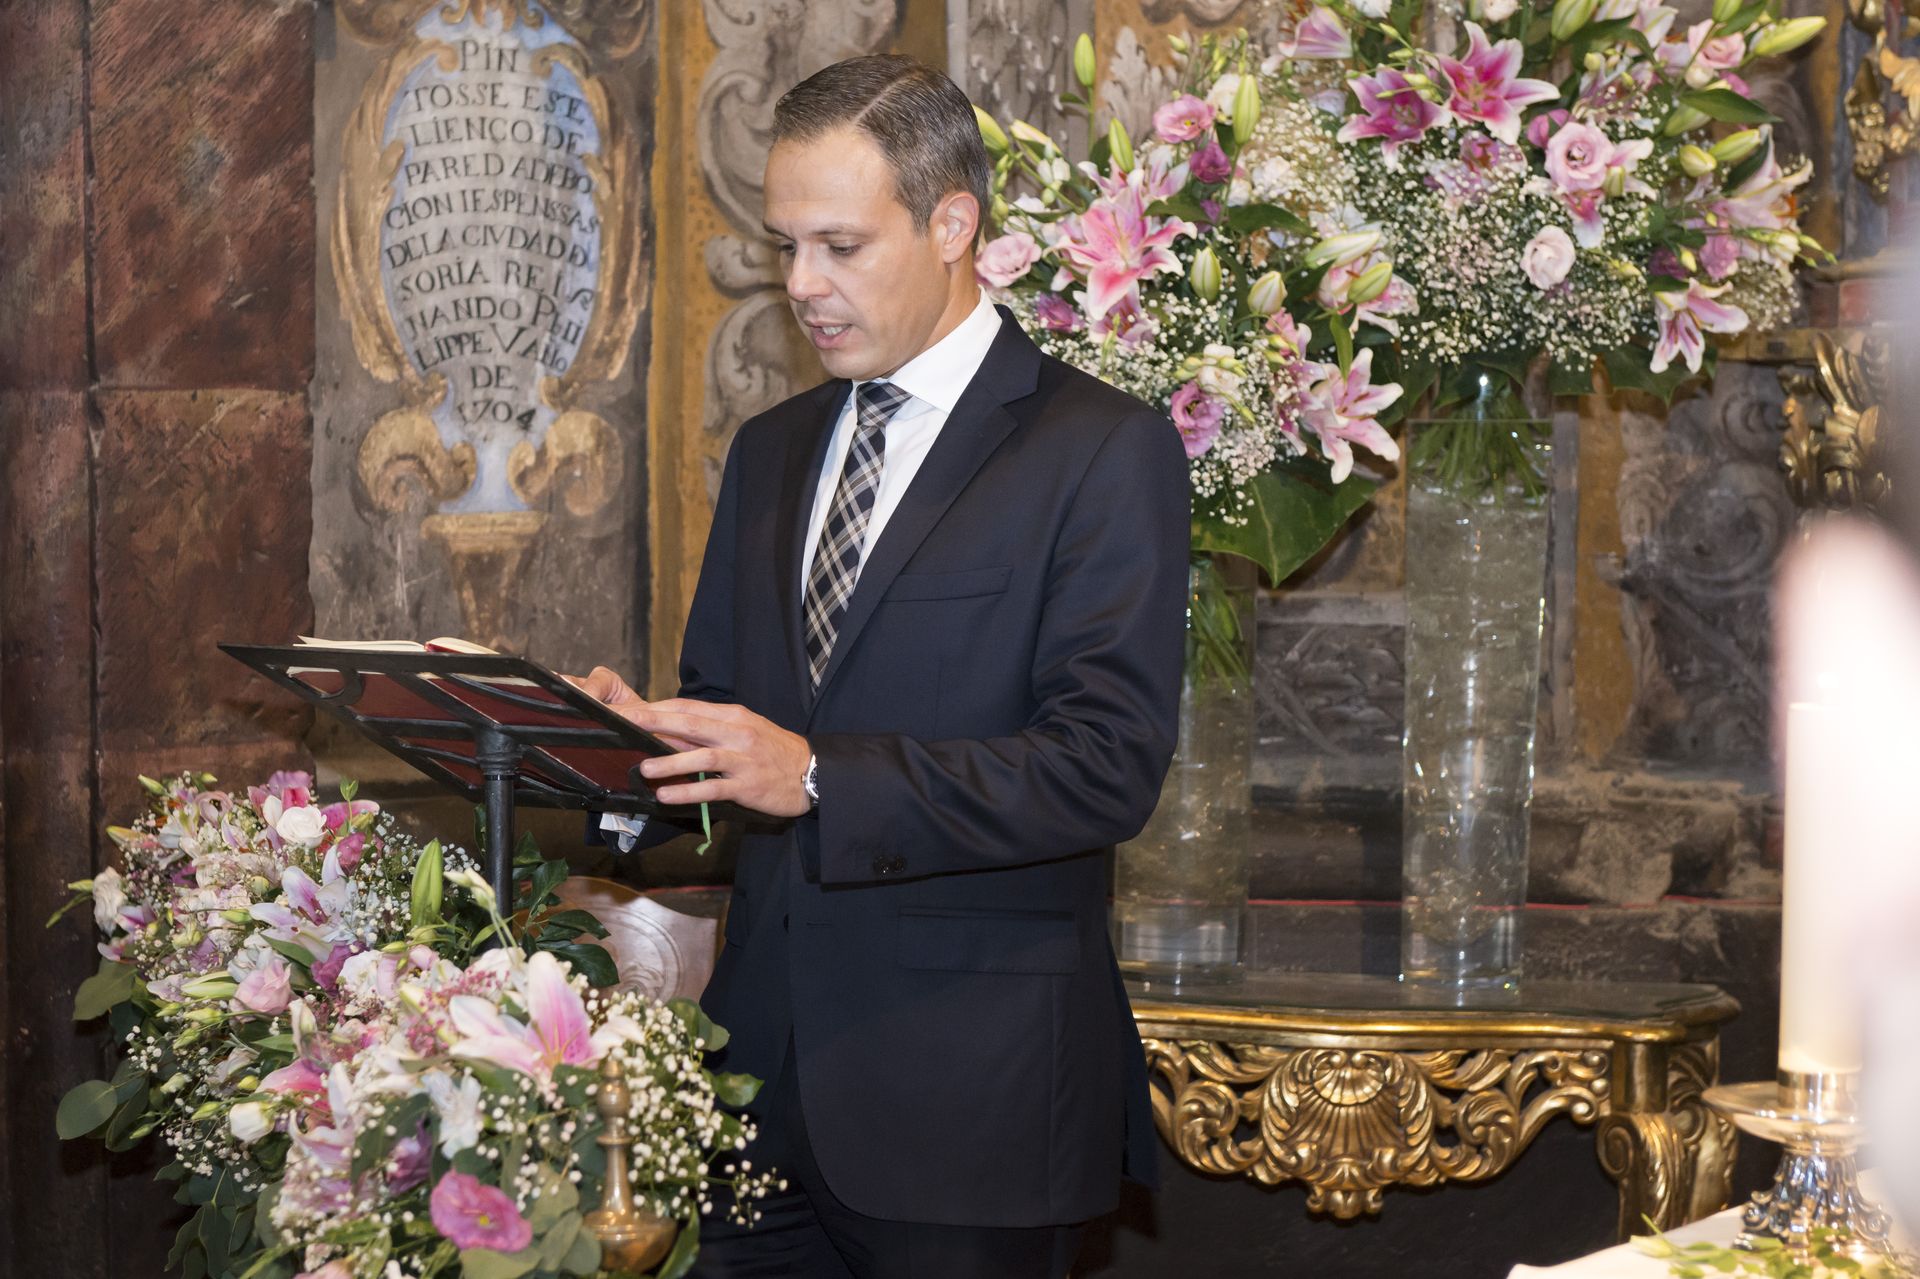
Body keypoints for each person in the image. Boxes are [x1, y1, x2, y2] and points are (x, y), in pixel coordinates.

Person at [573, 53, 1189, 1279]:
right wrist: (618, 752)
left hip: (970, 1105)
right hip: (750, 1092)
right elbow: (736, 734)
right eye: (785, 246)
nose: (802, 284)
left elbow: (1104, 767)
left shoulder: (1098, 449)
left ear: (952, 225)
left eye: (840, 246)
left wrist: (818, 777)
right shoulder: (771, 448)